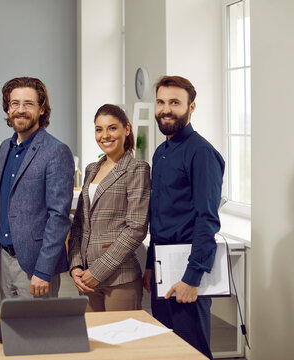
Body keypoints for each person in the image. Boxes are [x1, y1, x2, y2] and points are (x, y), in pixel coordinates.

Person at [142, 76, 224, 359]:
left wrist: (192, 278)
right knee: (166, 349)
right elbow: (159, 217)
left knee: (192, 352)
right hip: (163, 267)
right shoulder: (161, 152)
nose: (166, 109)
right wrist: (151, 265)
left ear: (191, 108)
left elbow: (207, 219)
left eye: (175, 103)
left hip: (186, 269)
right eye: (161, 102)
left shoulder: (201, 153)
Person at [0, 77, 75, 300]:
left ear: (42, 109)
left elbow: (58, 217)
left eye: (28, 104)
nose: (20, 110)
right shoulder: (5, 147)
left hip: (36, 265)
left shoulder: (56, 151)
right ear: (7, 108)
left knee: (37, 332)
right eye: (15, 103)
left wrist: (43, 270)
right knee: (10, 329)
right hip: (4, 258)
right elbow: (4, 203)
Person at [68, 104, 150, 311]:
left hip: (119, 277)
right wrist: (76, 265)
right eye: (99, 129)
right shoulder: (91, 169)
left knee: (120, 342)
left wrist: (98, 271)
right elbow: (79, 223)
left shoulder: (136, 169)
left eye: (112, 128)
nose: (105, 135)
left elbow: (136, 228)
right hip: (86, 278)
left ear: (127, 129)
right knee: (93, 341)